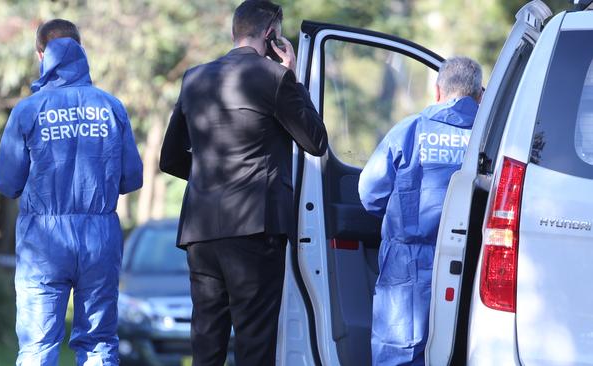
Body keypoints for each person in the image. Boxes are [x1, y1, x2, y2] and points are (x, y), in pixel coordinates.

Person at [159, 1, 328, 365]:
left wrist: (212, 177)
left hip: (200, 232)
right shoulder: (275, 78)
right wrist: (293, 76)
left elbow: (169, 159)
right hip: (255, 229)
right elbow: (316, 141)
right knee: (255, 344)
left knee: (206, 344)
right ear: (271, 36)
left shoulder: (195, 77)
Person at [0, 19, 143, 365]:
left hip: (43, 242)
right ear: (80, 50)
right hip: (99, 239)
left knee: (37, 345)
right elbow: (131, 179)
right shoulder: (111, 107)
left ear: (41, 54)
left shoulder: (28, 111)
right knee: (99, 342)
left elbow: (7, 183)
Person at [358, 57, 483, 365]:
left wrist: (396, 219)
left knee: (398, 353)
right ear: (480, 94)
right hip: (472, 262)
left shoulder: (410, 130)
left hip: (408, 263)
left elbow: (370, 191)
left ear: (438, 91)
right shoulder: (491, 137)